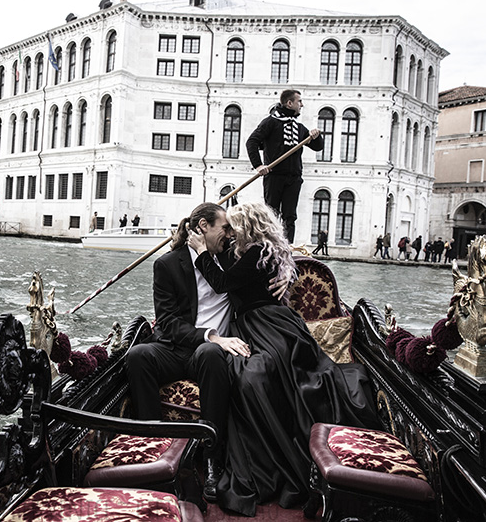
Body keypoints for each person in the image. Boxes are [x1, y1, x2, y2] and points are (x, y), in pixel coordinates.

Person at [186, 202, 379, 515]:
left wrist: (202, 253)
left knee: (254, 375)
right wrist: (193, 242)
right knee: (246, 374)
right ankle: (261, 456)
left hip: (272, 326)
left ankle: (275, 461)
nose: (231, 234)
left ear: (249, 227)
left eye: (235, 227)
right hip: (250, 327)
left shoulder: (259, 251)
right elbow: (211, 246)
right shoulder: (245, 252)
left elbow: (222, 283)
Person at [126, 202, 289, 503]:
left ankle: (213, 459)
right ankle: (154, 445)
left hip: (212, 354)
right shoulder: (167, 264)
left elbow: (269, 254)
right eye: (224, 228)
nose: (229, 235)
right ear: (204, 227)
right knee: (138, 356)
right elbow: (168, 322)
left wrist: (288, 276)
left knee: (211, 354)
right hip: (177, 348)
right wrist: (210, 335)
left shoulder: (230, 258)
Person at [245, 89, 324, 243]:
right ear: (289, 103)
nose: (302, 105)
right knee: (271, 214)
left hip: (294, 178)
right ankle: (268, 245)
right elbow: (252, 142)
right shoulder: (270, 122)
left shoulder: (300, 128)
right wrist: (259, 166)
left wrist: (316, 136)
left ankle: (288, 247)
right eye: (299, 101)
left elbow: (317, 147)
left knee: (290, 216)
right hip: (274, 176)